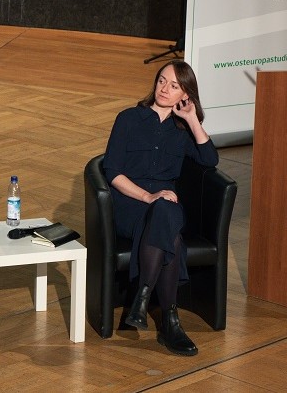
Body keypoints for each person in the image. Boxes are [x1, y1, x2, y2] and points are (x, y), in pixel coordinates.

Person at [102, 59, 219, 356]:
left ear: (186, 95)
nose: (165, 88)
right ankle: (170, 322)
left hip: (165, 206)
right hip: (131, 204)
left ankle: (142, 299)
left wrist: (193, 120)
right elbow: (113, 171)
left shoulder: (182, 130)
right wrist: (147, 196)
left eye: (175, 86)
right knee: (170, 227)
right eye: (162, 81)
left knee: (166, 209)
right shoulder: (128, 118)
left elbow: (210, 159)